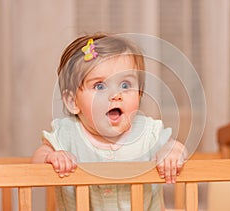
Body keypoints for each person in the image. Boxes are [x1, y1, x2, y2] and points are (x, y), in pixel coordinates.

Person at [32, 32, 187, 211]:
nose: (116, 95)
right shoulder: (68, 133)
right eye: (100, 86)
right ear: (72, 101)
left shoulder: (147, 132)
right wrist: (51, 157)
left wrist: (171, 153)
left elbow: (176, 147)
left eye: (125, 85)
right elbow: (36, 164)